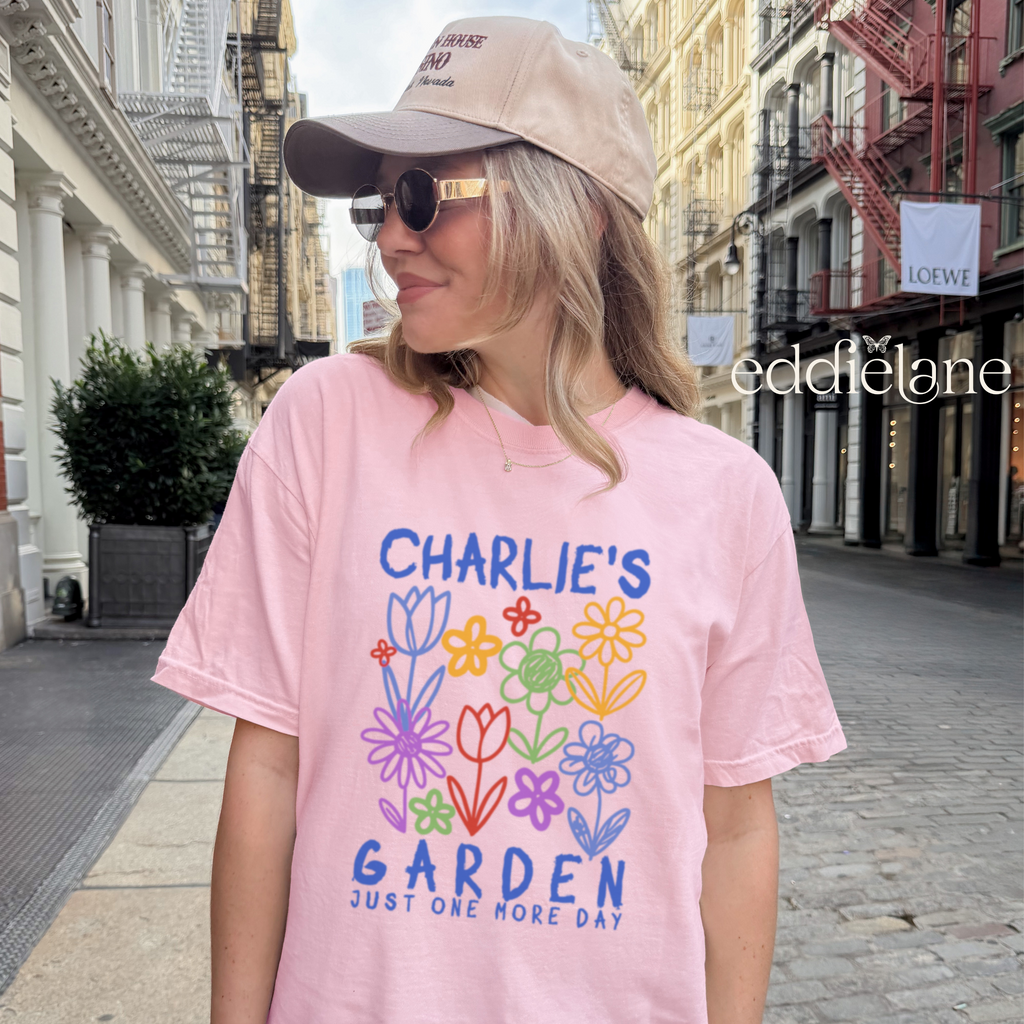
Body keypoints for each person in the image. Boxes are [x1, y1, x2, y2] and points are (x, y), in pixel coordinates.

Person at [153, 16, 847, 1024]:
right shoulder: (325, 422)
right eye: (382, 201)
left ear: (576, 212)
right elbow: (266, 765)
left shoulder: (724, 493)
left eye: (425, 195)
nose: (393, 234)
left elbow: (735, 821)